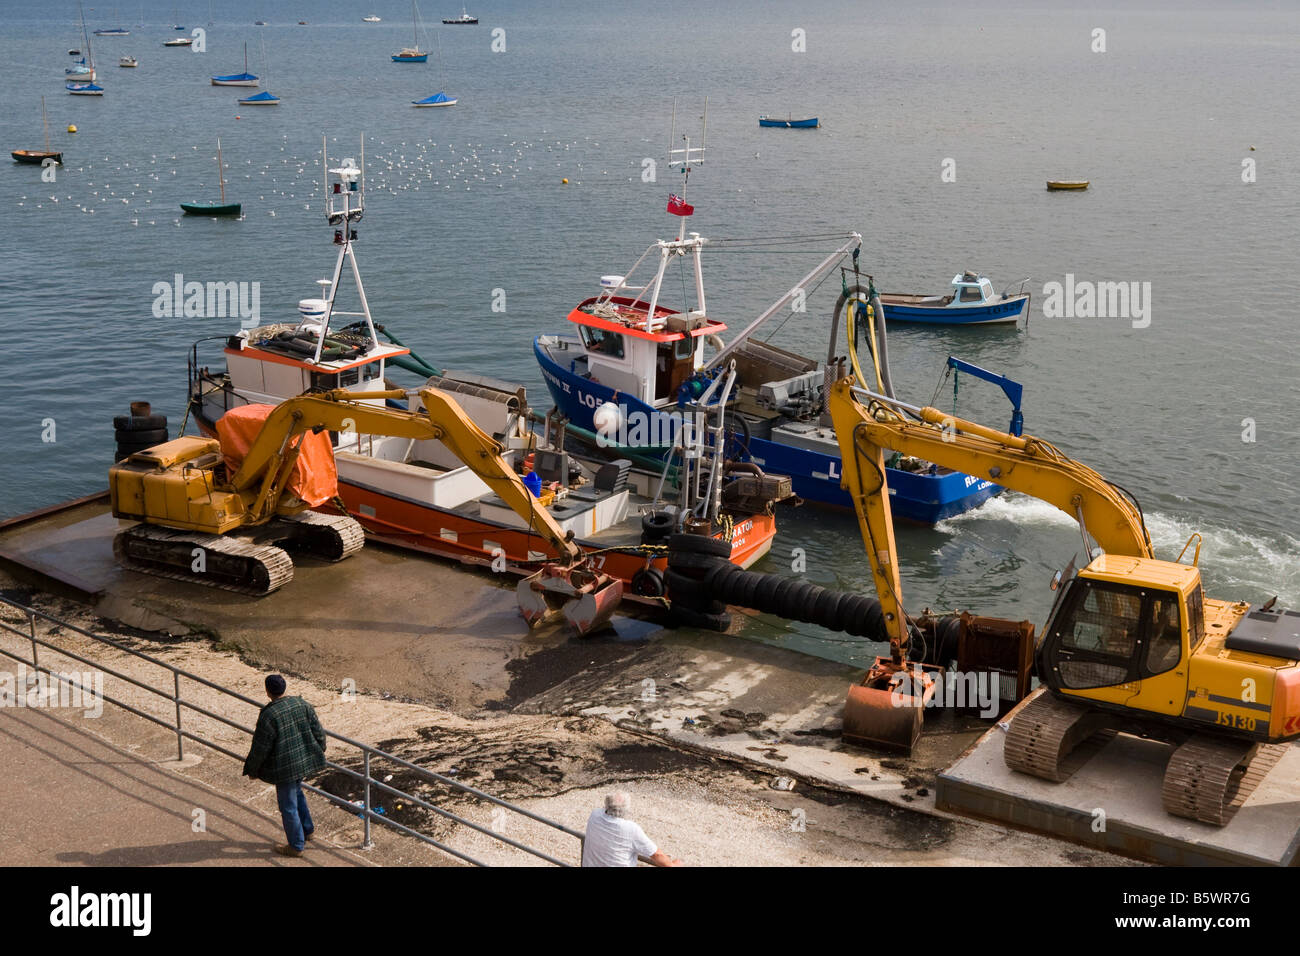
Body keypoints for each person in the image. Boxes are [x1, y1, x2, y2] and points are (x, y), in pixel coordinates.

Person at [242, 674, 327, 858]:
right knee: (298, 794)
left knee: (288, 805)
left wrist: (252, 769)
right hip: (303, 760)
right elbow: (318, 731)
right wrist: (320, 749)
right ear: (284, 688)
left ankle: (296, 846)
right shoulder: (301, 704)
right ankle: (307, 830)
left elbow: (260, 748)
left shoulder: (269, 715)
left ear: (267, 691)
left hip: (284, 767)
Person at [581, 791, 682, 867]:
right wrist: (673, 865)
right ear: (626, 809)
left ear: (606, 804)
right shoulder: (631, 829)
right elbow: (656, 855)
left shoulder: (595, 815)